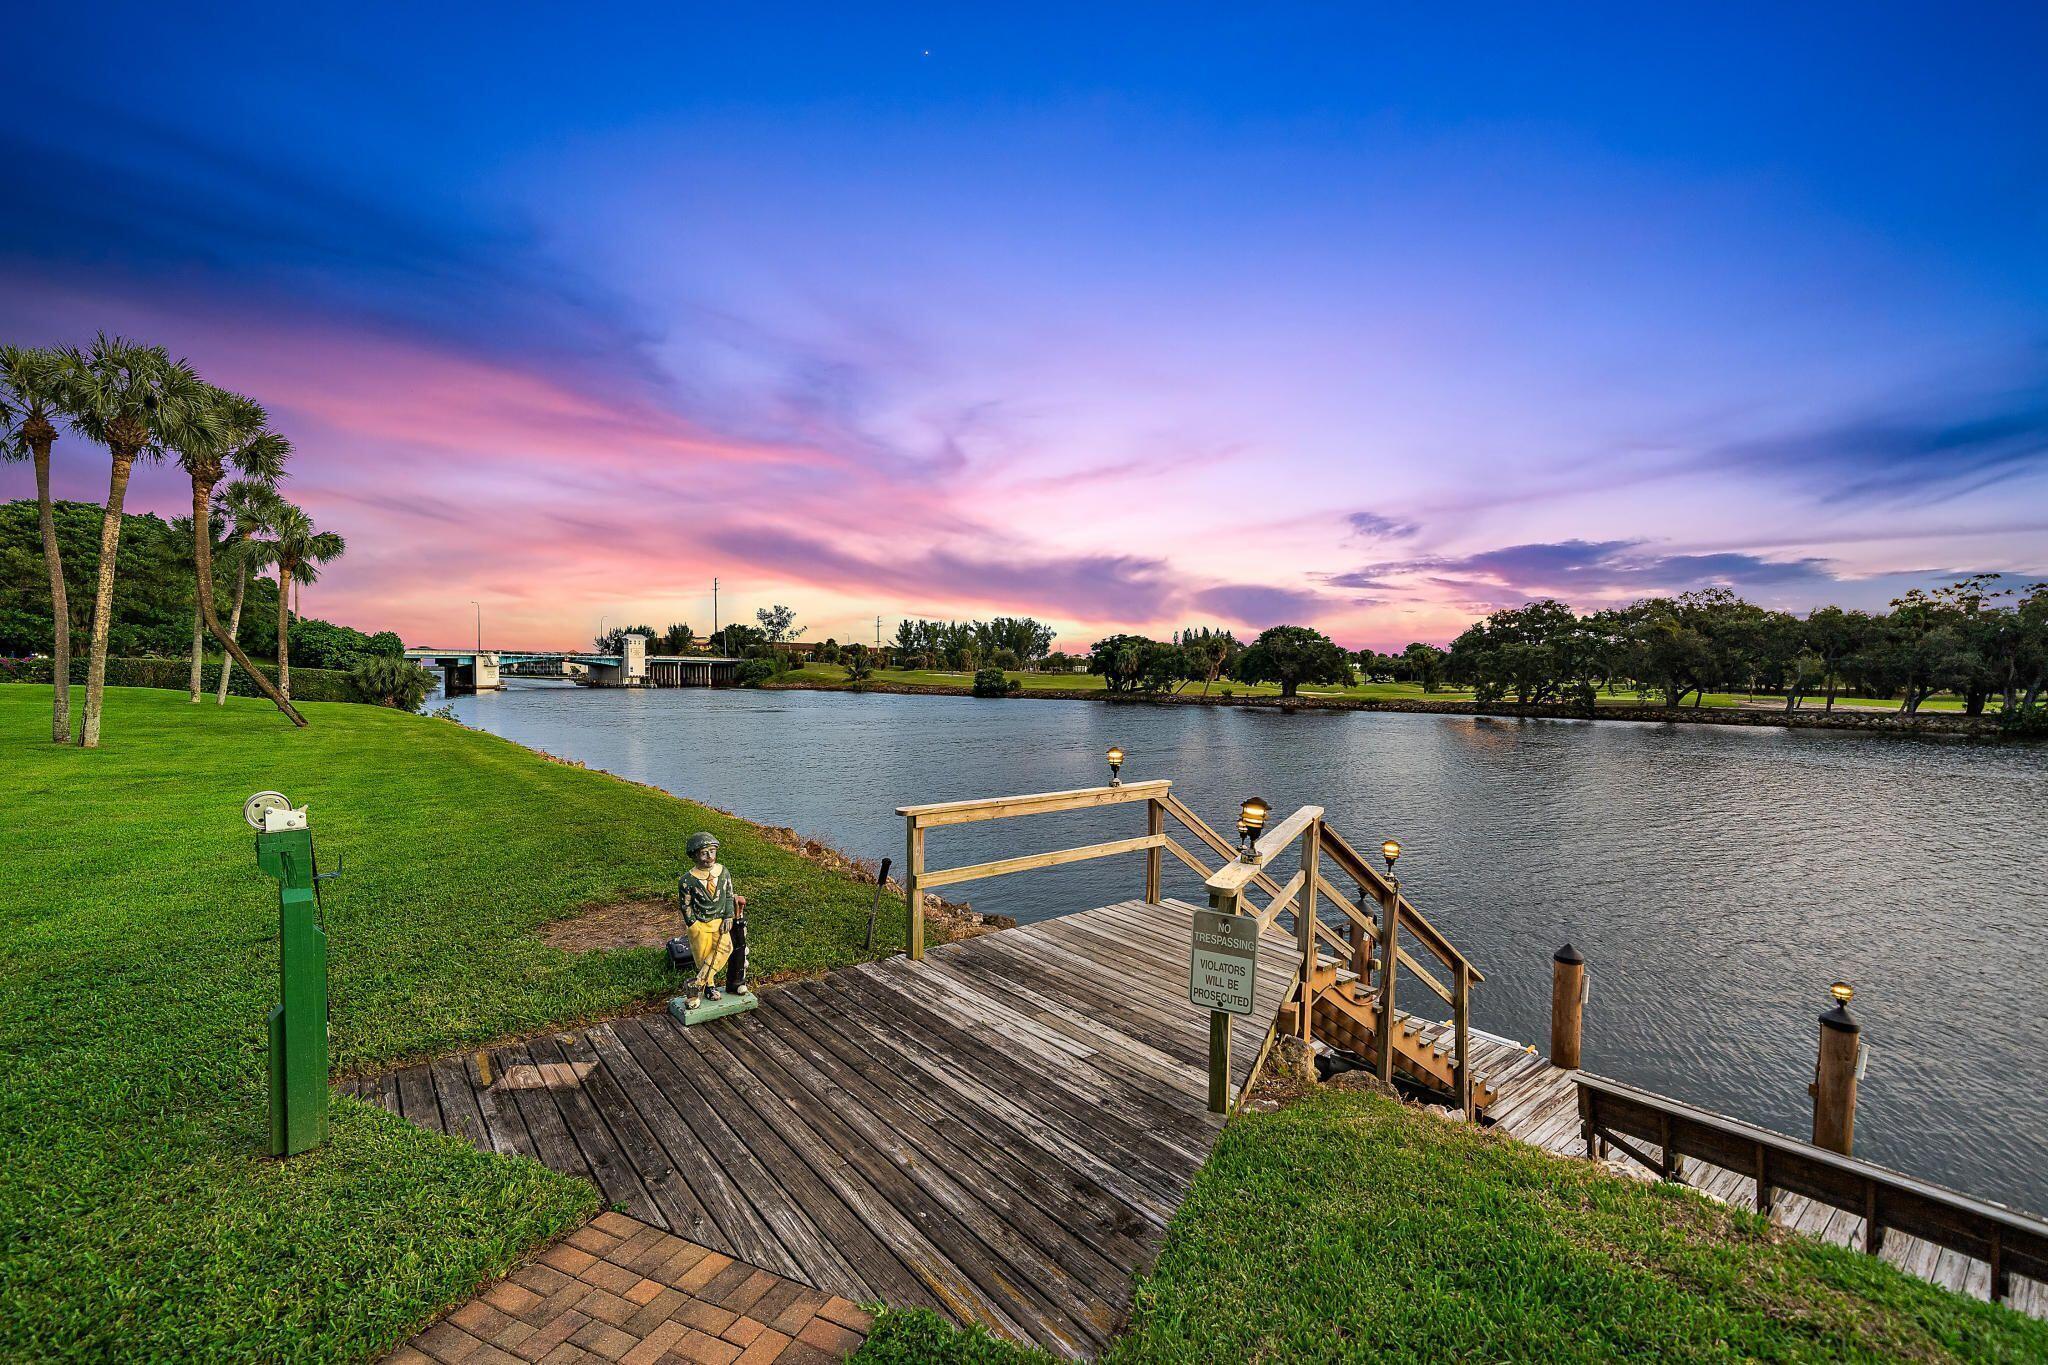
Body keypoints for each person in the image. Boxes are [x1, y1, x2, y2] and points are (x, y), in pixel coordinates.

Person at [680, 832, 746, 1010]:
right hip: (700, 924)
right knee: (703, 956)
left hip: (720, 922)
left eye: (712, 852)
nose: (709, 857)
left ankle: (696, 985)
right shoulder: (688, 880)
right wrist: (692, 924)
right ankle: (709, 987)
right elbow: (685, 905)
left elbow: (728, 895)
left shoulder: (723, 872)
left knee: (725, 948)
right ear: (695, 855)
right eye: (703, 853)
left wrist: (728, 916)